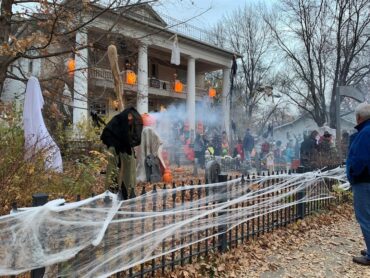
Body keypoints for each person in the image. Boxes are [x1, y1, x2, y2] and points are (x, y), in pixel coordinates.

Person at [347, 103, 370, 265]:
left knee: (365, 217)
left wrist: (354, 173)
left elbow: (361, 159)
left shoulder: (365, 133)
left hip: (364, 181)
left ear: (359, 117)